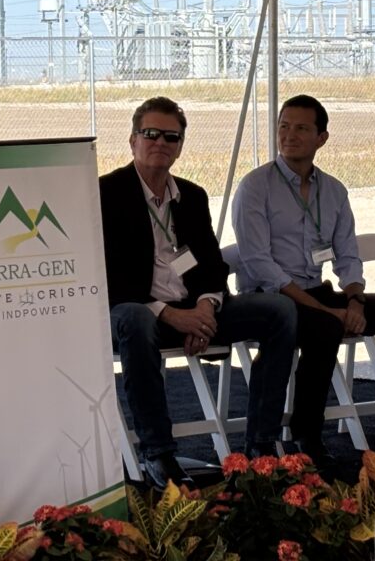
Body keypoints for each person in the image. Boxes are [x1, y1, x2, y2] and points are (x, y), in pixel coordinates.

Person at [100, 97, 296, 489]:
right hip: (134, 313)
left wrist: (205, 310)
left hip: (194, 311)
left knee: (279, 309)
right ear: (132, 140)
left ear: (180, 145)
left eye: (170, 136)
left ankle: (260, 446)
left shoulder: (192, 195)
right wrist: (173, 315)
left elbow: (211, 266)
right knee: (136, 317)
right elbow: (108, 276)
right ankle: (158, 454)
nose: (160, 142)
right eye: (150, 134)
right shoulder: (106, 193)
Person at [232, 94, 375, 464]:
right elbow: (257, 263)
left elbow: (348, 255)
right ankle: (306, 435)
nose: (289, 135)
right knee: (323, 326)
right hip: (271, 298)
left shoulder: (333, 191)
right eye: (284, 126)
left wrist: (354, 300)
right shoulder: (255, 186)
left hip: (318, 292)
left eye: (301, 128)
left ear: (322, 138)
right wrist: (326, 311)